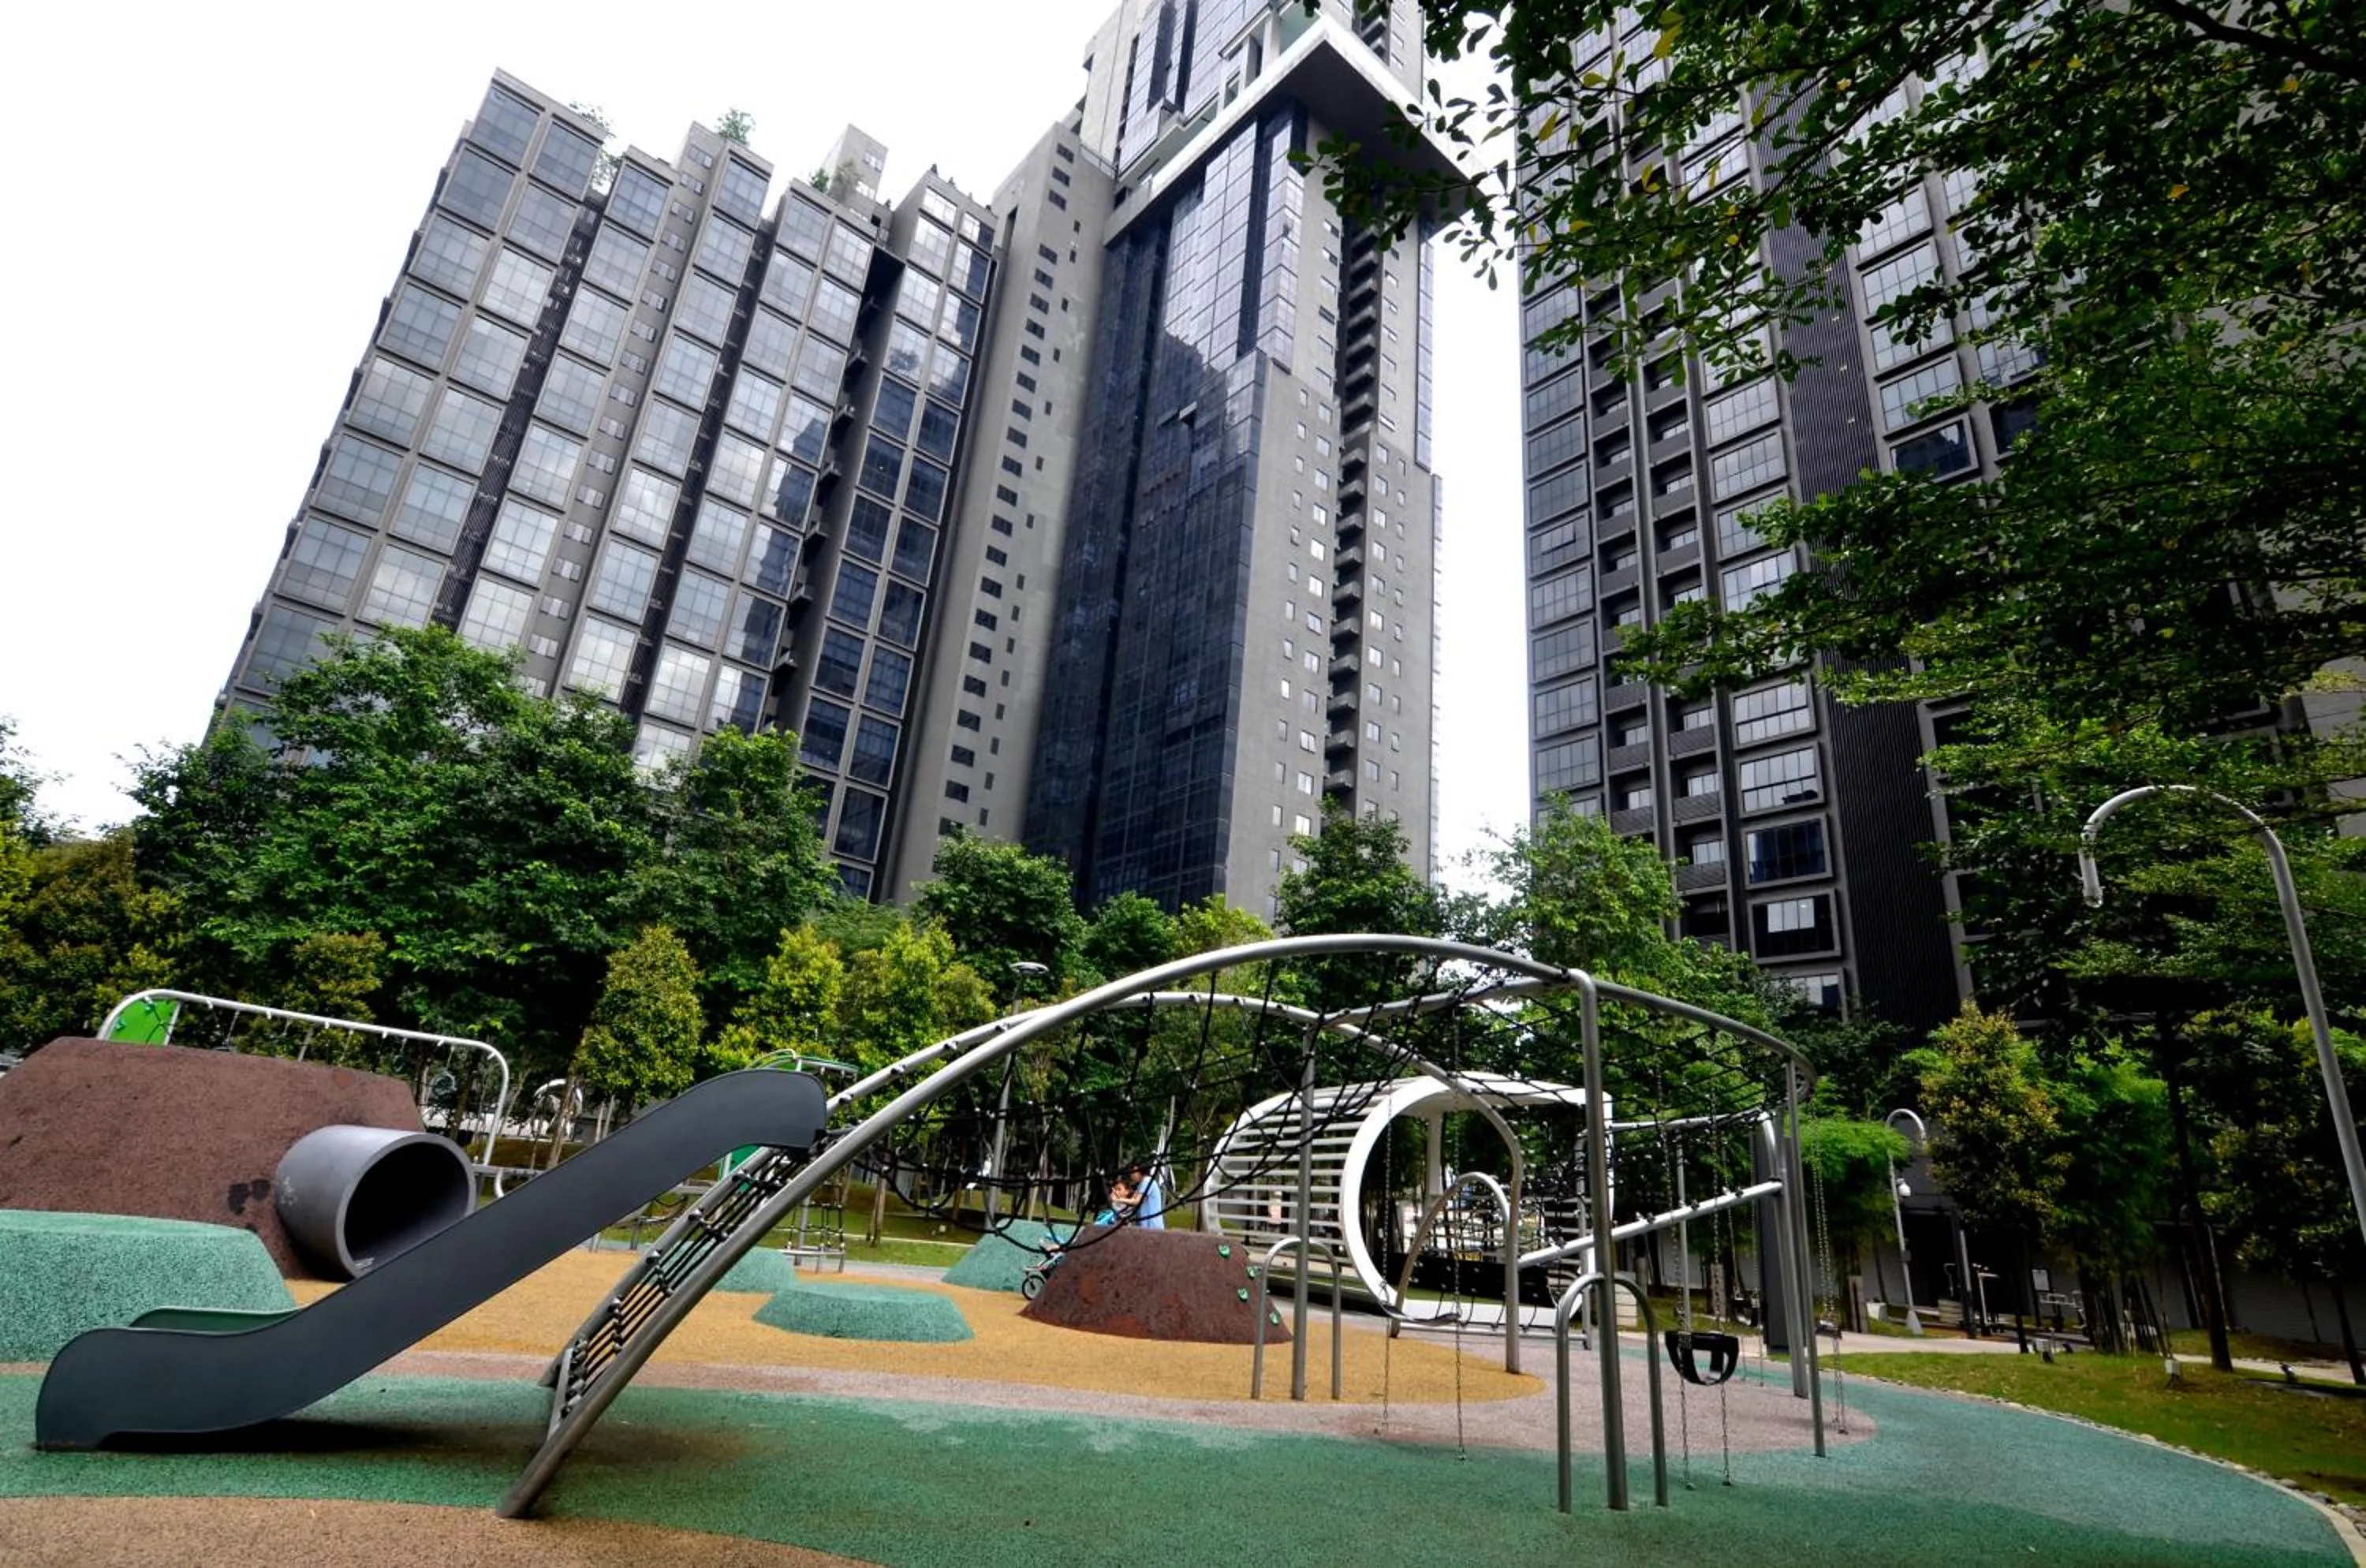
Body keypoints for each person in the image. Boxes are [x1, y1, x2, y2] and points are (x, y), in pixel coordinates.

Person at [1129, 1160, 1166, 1230]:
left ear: (1141, 1172)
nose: (1132, 1175)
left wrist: (1118, 1200)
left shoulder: (1147, 1181)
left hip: (1152, 1226)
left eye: (1134, 1172)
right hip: (1146, 1226)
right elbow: (1131, 1201)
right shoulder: (1141, 1184)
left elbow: (1137, 1201)